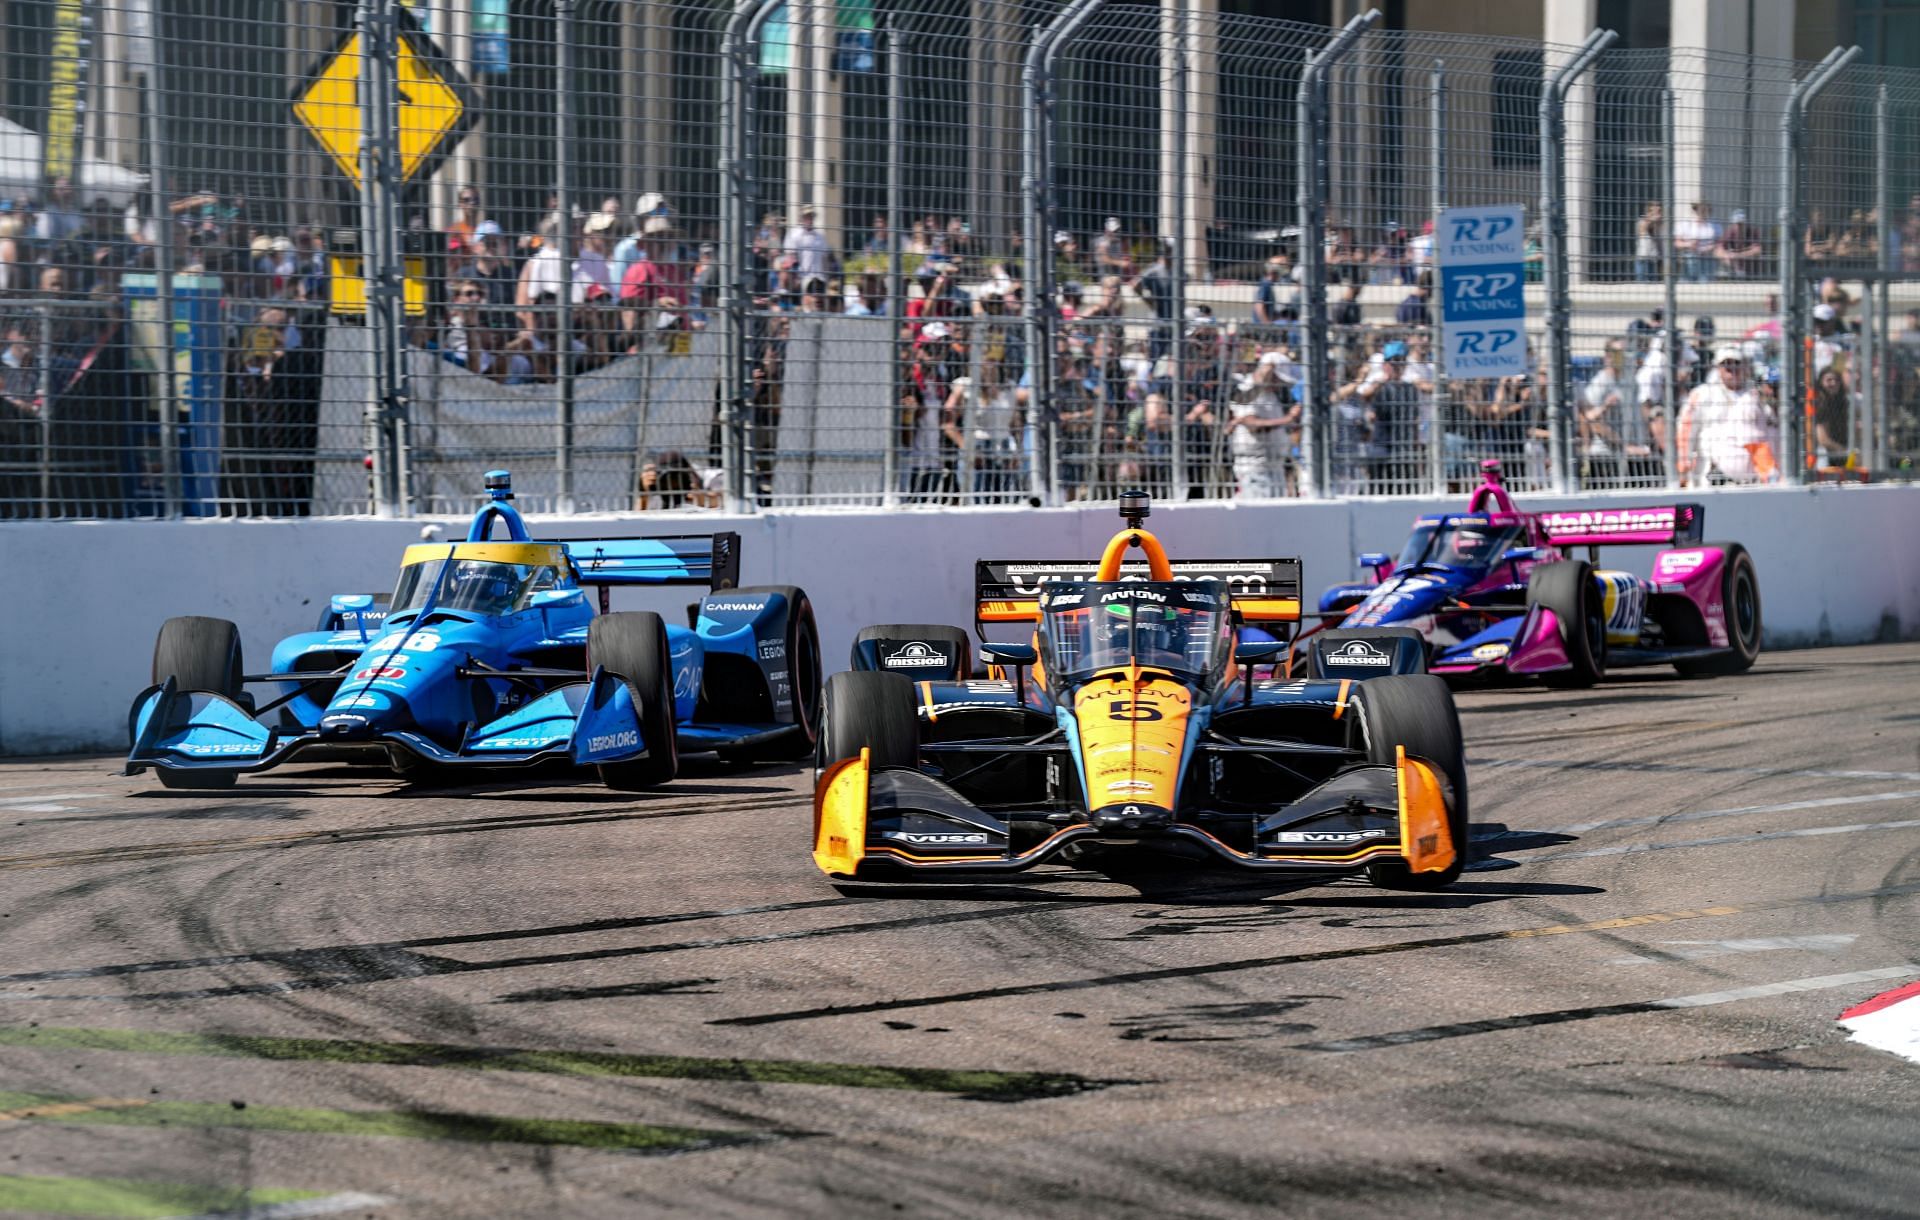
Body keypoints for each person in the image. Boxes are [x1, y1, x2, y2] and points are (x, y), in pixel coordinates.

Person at [1679, 344, 1776, 485]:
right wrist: (1684, 465)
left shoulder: (1755, 395)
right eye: (1726, 364)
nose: (1731, 369)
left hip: (1750, 478)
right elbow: (1687, 429)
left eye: (1736, 363)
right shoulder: (1702, 394)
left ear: (1744, 367)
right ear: (1718, 368)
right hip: (1709, 473)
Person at [783, 206, 833, 300]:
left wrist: (827, 277)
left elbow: (825, 258)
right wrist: (795, 277)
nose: (809, 219)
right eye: (806, 216)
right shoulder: (794, 235)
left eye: (811, 216)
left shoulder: (820, 236)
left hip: (819, 278)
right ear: (801, 218)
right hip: (802, 278)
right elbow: (791, 257)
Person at [1674, 201, 1720, 283]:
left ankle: (1703, 280)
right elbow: (1676, 243)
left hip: (1707, 257)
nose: (1702, 212)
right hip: (1689, 257)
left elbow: (1719, 244)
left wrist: (1707, 248)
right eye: (1699, 209)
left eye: (1705, 210)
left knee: (1705, 280)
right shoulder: (1685, 224)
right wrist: (1689, 244)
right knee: (1690, 258)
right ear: (1695, 210)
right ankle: (1688, 280)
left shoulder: (1714, 225)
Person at [1715, 210, 1763, 279]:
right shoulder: (1730, 232)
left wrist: (1739, 255)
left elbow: (1758, 250)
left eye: (1741, 224)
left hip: (1750, 271)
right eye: (1737, 224)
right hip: (1732, 269)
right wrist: (1727, 256)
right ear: (1733, 224)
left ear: (1746, 223)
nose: (1739, 226)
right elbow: (1717, 251)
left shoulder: (1752, 232)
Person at [1634, 202, 1663, 282]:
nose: (1657, 212)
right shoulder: (1642, 221)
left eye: (1659, 210)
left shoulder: (1660, 222)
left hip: (1653, 256)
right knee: (1641, 280)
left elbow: (1660, 236)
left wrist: (1657, 222)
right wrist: (1651, 220)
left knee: (1653, 281)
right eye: (1654, 210)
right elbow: (1642, 232)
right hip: (1643, 255)